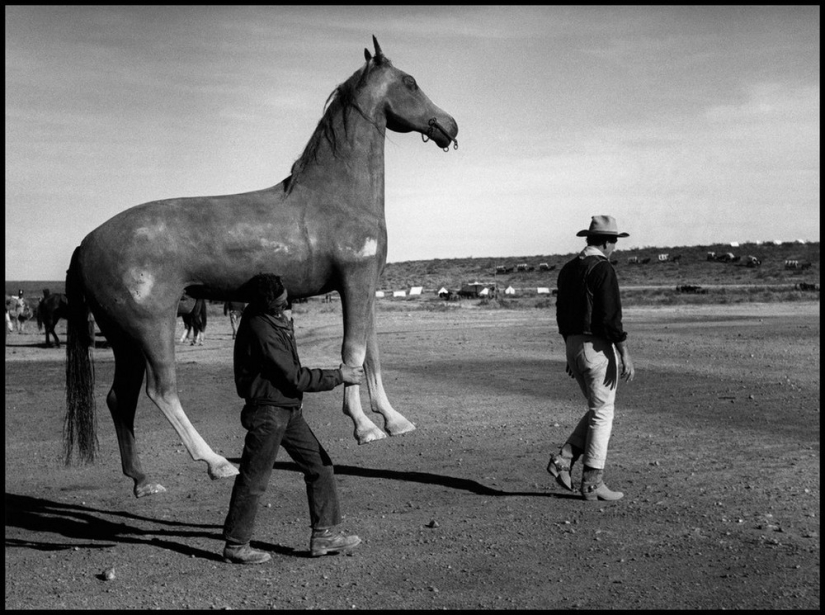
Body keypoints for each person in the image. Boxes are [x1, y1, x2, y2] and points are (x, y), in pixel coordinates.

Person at [222, 273, 365, 564]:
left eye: (287, 300)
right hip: (269, 413)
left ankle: (324, 534)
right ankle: (236, 545)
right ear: (266, 305)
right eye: (280, 304)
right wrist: (338, 376)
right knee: (254, 479)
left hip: (287, 410)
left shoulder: (271, 318)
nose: (286, 306)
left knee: (320, 466)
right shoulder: (261, 329)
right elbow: (294, 376)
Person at [548, 215, 635, 501]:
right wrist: (624, 353)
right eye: (614, 242)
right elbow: (610, 318)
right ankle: (592, 481)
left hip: (572, 345)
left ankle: (565, 458)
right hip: (595, 347)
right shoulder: (603, 269)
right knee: (602, 413)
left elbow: (561, 314)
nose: (615, 248)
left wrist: (570, 350)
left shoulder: (568, 269)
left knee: (597, 409)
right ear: (609, 242)